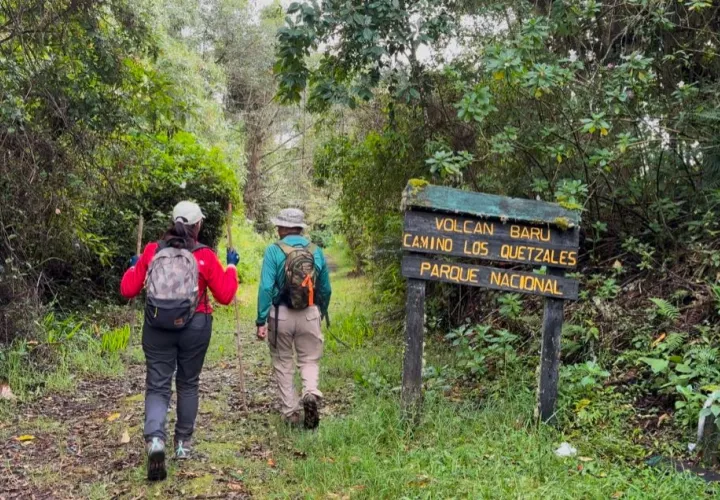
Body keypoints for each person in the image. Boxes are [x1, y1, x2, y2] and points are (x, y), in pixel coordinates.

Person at [120, 201, 239, 481]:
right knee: (188, 383)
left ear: (172, 222)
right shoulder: (205, 256)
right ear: (198, 226)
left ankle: (155, 441)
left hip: (157, 325)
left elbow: (127, 289)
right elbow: (224, 295)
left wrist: (134, 267)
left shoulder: (152, 251)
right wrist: (232, 267)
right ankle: (183, 445)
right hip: (196, 326)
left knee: (158, 385)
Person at [256, 208, 332, 429]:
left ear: (283, 228)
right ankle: (310, 392)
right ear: (300, 228)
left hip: (281, 315)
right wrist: (321, 311)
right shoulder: (316, 251)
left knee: (283, 362)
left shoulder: (273, 251)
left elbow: (266, 287)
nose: (277, 229)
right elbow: (325, 289)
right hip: (309, 313)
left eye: (278, 225)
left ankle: (291, 413)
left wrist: (261, 320)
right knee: (309, 359)